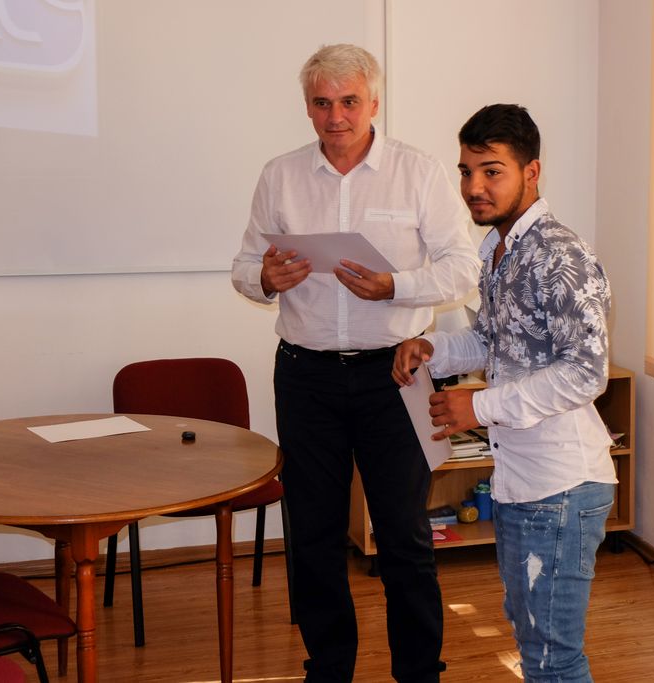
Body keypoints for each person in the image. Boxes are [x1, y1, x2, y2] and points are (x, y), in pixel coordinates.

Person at [231, 44, 480, 682]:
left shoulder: (418, 172)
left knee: (404, 536)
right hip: (306, 375)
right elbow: (244, 267)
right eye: (322, 103)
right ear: (307, 107)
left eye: (348, 102)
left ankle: (419, 673)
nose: (335, 117)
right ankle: (329, 668)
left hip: (394, 374)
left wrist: (395, 286)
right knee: (313, 535)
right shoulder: (280, 176)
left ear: (374, 103)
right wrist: (264, 279)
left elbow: (463, 268)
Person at [392, 103, 616, 682]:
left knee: (552, 656)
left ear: (531, 172)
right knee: (532, 639)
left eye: (492, 171)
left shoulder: (560, 254)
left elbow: (586, 371)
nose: (474, 187)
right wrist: (433, 348)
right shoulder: (498, 249)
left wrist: (479, 405)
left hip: (562, 485)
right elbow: (495, 342)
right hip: (521, 479)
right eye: (466, 172)